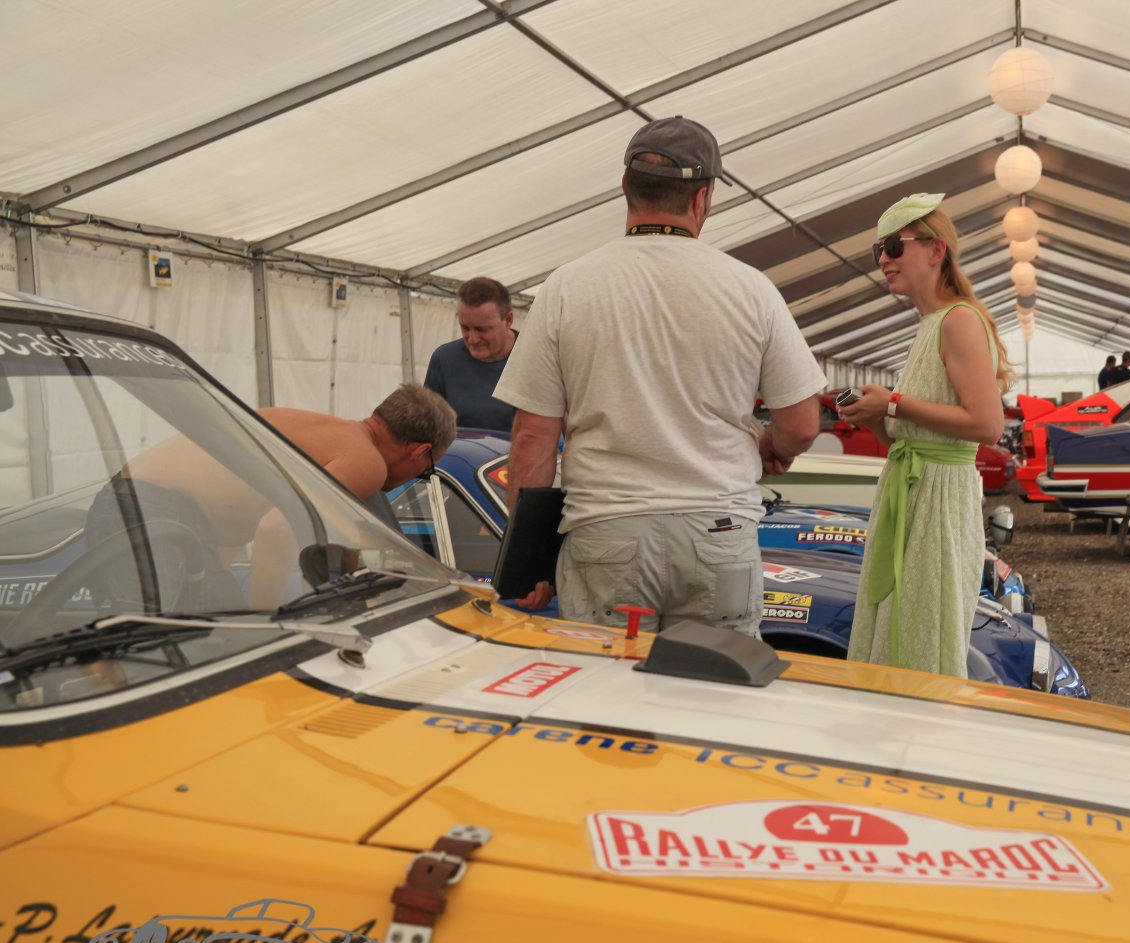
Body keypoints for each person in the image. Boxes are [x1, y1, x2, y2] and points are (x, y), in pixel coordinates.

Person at [495, 115, 823, 635]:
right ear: (703, 198)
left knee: (610, 686)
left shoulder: (567, 287)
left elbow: (534, 434)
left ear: (625, 186)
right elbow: (802, 425)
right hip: (720, 533)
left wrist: (528, 556)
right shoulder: (750, 289)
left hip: (607, 535)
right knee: (714, 683)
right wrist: (769, 446)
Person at [836, 193, 1012, 678]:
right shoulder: (931, 324)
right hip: (917, 499)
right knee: (901, 626)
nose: (883, 260)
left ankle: (920, 719)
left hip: (938, 508)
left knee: (922, 634)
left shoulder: (958, 321)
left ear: (936, 250)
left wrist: (893, 403)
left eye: (894, 246)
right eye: (879, 251)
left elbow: (987, 425)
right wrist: (875, 416)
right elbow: (915, 436)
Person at [85, 383, 455, 612]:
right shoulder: (367, 461)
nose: (417, 477)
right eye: (427, 470)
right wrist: (265, 624)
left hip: (149, 507)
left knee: (210, 634)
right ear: (419, 451)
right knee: (142, 654)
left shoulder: (330, 435)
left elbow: (230, 514)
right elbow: (275, 531)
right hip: (146, 509)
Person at [423, 277, 519, 432]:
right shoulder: (444, 360)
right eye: (465, 328)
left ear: (508, 320)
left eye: (482, 329)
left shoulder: (534, 359)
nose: (472, 339)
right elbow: (428, 425)